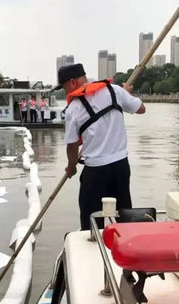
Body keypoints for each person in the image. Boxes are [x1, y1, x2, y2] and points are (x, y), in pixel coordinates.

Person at [54, 63, 146, 230]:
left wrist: (71, 167)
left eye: (64, 86)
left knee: (91, 224)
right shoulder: (115, 91)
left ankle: (93, 249)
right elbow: (141, 109)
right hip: (121, 167)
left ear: (73, 82)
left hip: (95, 173)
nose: (65, 91)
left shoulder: (73, 109)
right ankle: (125, 247)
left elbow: (72, 145)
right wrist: (125, 95)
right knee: (125, 218)